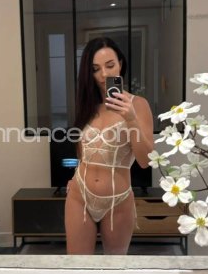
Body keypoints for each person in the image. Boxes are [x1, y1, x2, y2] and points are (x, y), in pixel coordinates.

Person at [65, 37, 154, 255]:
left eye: (110, 65)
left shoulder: (138, 105)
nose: (104, 74)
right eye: (95, 69)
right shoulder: (87, 105)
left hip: (118, 199)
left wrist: (131, 118)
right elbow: (83, 149)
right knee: (77, 266)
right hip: (79, 194)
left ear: (120, 64)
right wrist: (74, 175)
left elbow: (145, 161)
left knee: (114, 266)